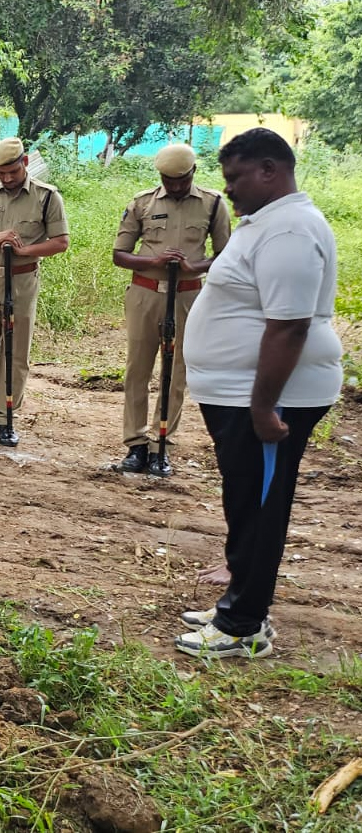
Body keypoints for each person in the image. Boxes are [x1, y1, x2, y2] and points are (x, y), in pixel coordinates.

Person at [175, 128, 342, 659]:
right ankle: (238, 600)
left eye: (235, 177)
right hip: (242, 393)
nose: (228, 190)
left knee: (261, 507)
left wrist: (264, 404)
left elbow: (289, 326)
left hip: (273, 398)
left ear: (270, 169)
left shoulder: (290, 230)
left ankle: (244, 624)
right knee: (245, 499)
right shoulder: (265, 224)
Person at [112, 143, 231, 477]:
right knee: (138, 368)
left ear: (193, 173)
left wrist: (194, 266)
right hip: (146, 293)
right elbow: (120, 254)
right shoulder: (141, 203)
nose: (175, 186)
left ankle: (162, 441)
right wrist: (154, 261)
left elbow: (226, 254)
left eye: (181, 179)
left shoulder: (213, 203)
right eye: (168, 180)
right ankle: (136, 443)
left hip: (189, 296)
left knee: (176, 370)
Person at [0, 137, 69, 447]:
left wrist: (24, 250)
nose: (7, 179)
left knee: (16, 351)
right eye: (1, 173)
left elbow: (60, 242)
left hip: (21, 280)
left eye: (12, 173)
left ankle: (7, 417)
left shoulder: (47, 198)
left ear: (25, 164)